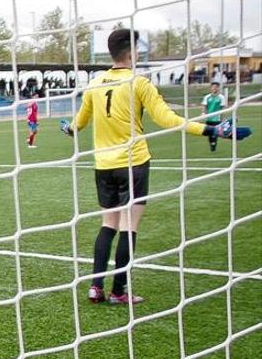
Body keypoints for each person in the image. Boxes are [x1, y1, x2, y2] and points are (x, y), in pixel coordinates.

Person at [60, 29, 251, 305]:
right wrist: (213, 130)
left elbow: (77, 124)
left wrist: (67, 128)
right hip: (133, 163)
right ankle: (118, 291)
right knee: (128, 226)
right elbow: (167, 119)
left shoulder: (95, 84)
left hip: (103, 166)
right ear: (131, 53)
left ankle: (95, 287)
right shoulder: (139, 83)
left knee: (108, 224)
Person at [201, 82, 227, 152]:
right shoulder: (207, 97)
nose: (214, 88)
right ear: (211, 88)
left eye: (216, 87)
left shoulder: (221, 97)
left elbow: (222, 108)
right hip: (209, 118)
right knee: (209, 132)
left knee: (215, 132)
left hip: (217, 118)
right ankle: (211, 143)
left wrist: (223, 117)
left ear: (218, 88)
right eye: (213, 87)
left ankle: (214, 144)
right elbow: (204, 105)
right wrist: (203, 113)